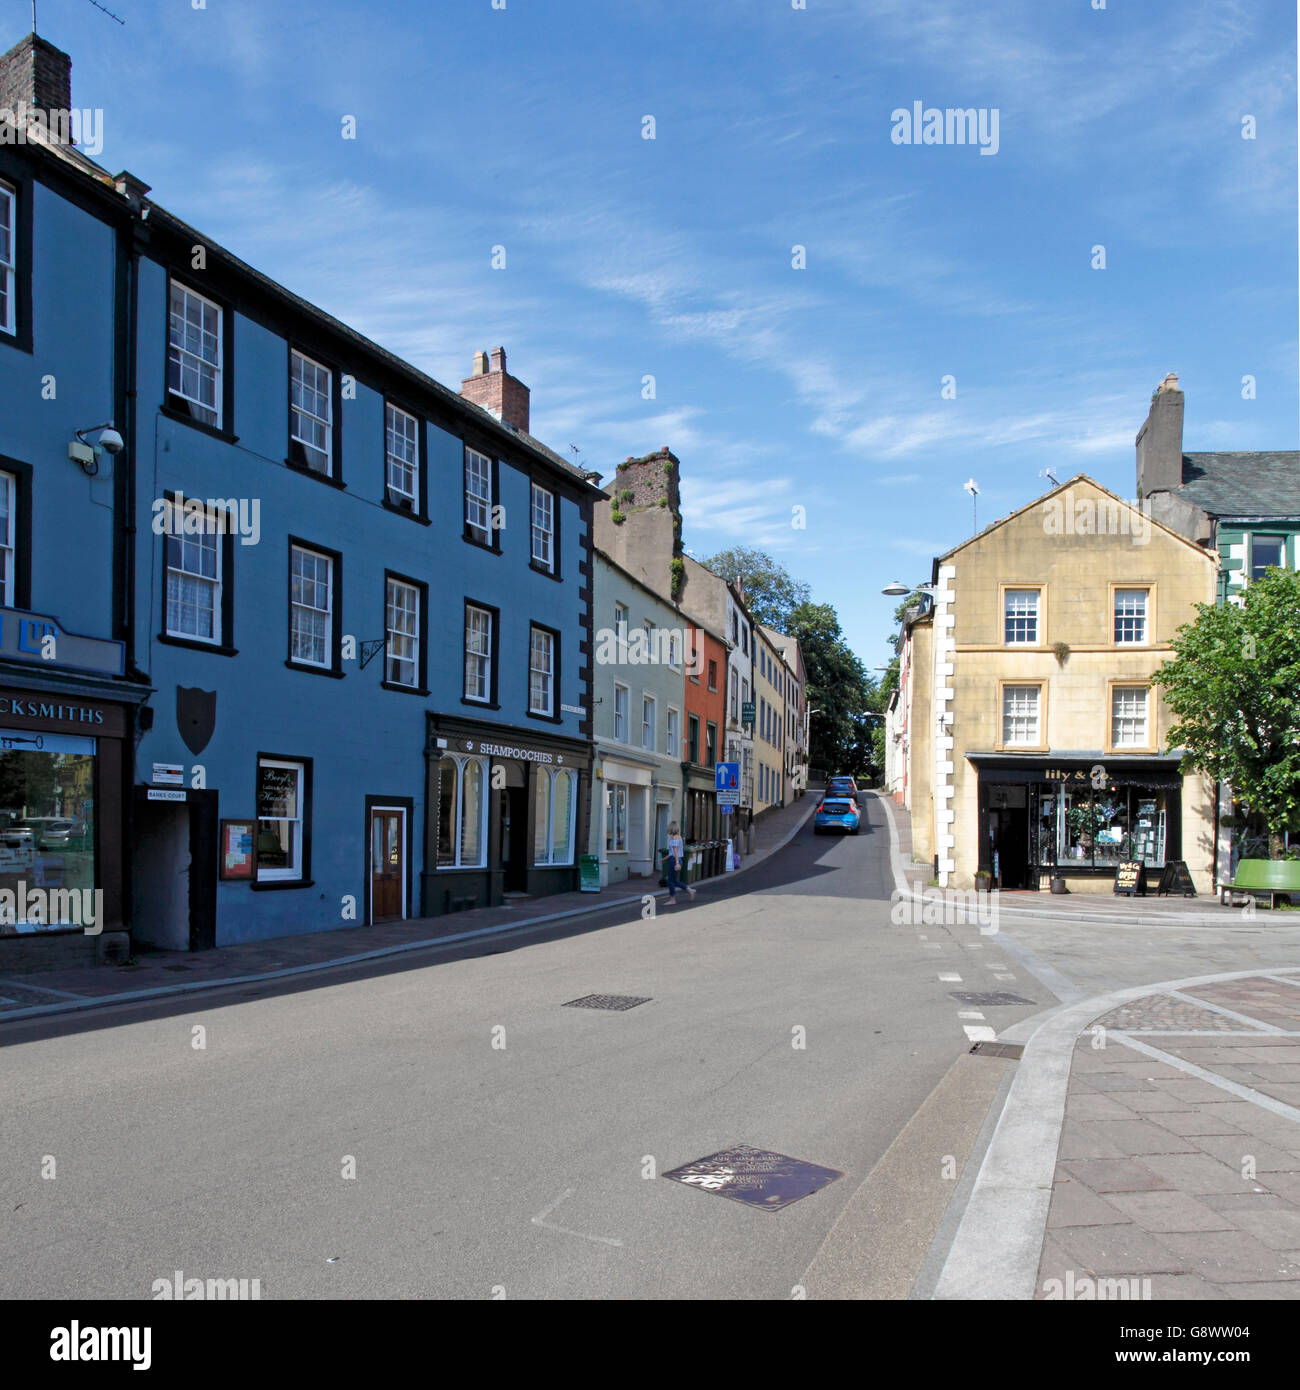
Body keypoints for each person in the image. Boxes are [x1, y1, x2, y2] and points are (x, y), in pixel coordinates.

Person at [663, 822, 695, 905]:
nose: (668, 829)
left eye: (669, 827)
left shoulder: (675, 838)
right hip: (676, 859)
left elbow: (675, 852)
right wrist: (665, 858)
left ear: (671, 828)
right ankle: (689, 890)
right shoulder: (679, 837)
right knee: (674, 881)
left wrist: (677, 863)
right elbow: (673, 852)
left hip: (674, 861)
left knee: (670, 881)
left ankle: (672, 899)